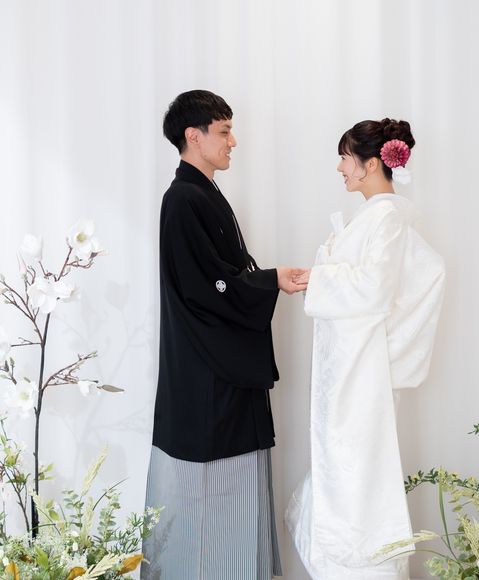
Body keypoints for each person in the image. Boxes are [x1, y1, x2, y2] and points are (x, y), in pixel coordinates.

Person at [141, 90, 306, 579]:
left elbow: (222, 278)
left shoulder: (201, 194)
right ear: (193, 136)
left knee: (226, 495)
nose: (233, 141)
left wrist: (267, 278)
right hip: (209, 372)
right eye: (224, 131)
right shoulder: (183, 199)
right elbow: (204, 288)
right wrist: (269, 280)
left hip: (219, 366)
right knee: (207, 494)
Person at [285, 118, 445, 579]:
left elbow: (376, 288)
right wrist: (322, 277)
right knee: (346, 471)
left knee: (356, 475)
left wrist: (320, 278)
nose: (340, 167)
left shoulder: (387, 217)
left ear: (371, 163)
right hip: (351, 371)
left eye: (344, 157)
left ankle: (360, 567)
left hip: (362, 373)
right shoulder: (375, 216)